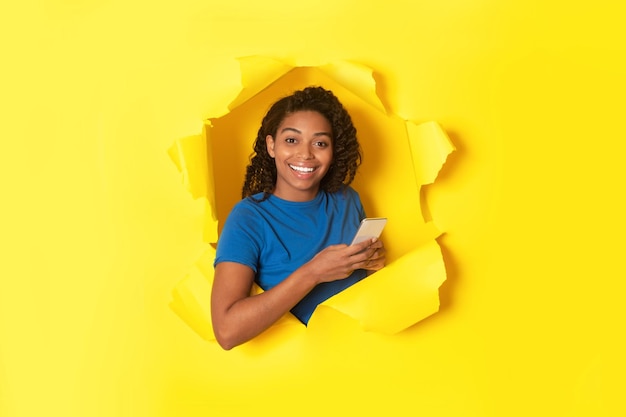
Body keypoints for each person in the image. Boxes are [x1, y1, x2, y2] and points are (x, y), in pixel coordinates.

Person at [211, 86, 386, 350]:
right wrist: (314, 272)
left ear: (333, 150)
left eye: (320, 143)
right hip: (293, 374)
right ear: (271, 146)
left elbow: (360, 293)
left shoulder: (347, 199)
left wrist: (371, 264)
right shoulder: (248, 218)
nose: (305, 154)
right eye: (291, 140)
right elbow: (226, 331)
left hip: (359, 357)